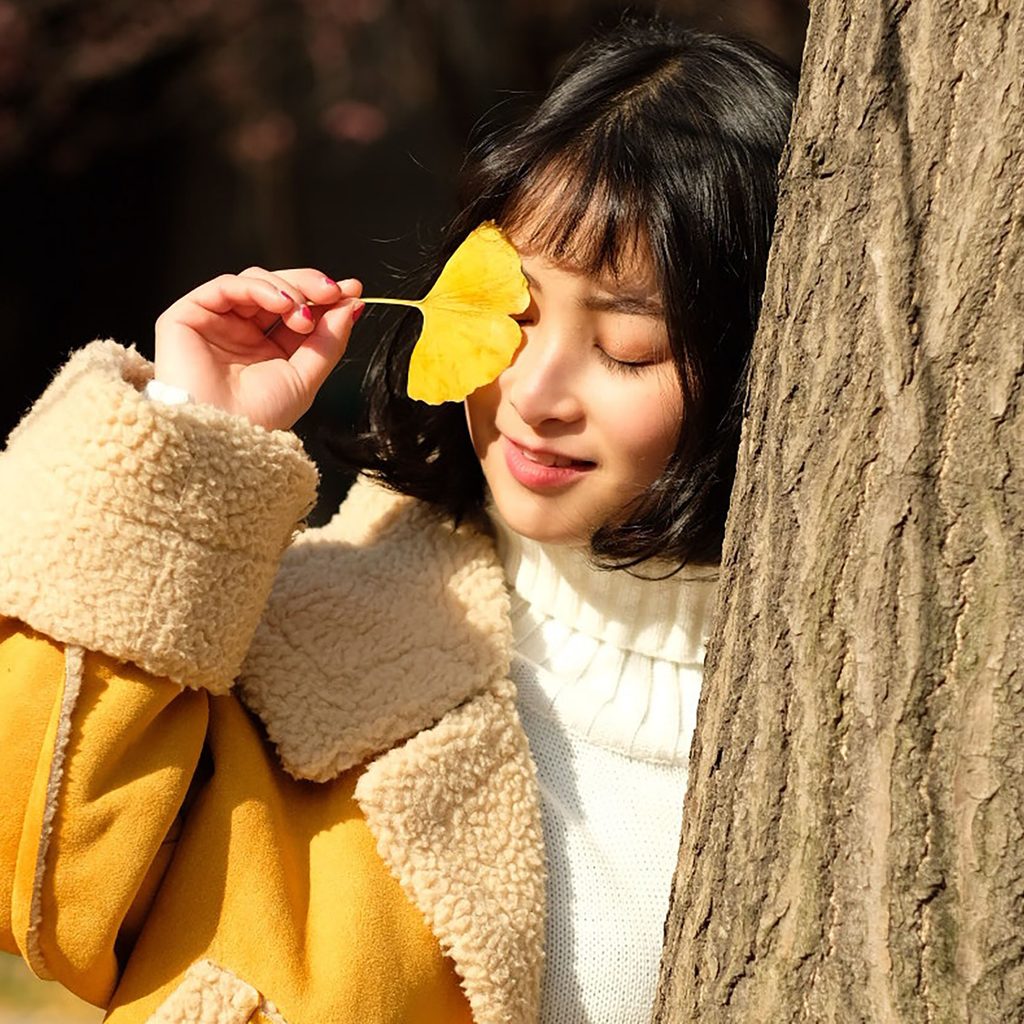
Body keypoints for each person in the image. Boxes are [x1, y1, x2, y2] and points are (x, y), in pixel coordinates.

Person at [0, 18, 795, 1024]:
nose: (534, 388)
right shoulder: (306, 648)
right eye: (509, 314)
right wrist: (181, 452)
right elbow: (26, 856)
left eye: (628, 346)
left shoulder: (863, 716)